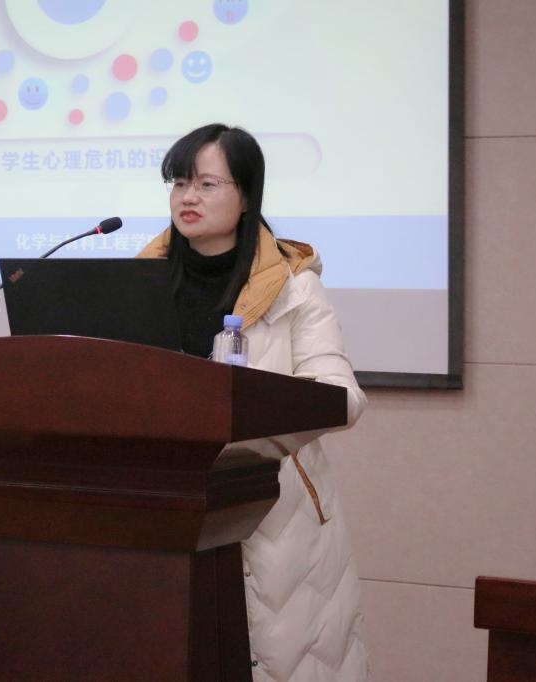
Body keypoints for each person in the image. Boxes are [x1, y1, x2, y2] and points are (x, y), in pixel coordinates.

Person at [138, 123, 369, 682]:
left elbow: (342, 396)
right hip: (158, 506)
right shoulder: (139, 280)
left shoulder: (293, 285)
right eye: (179, 183)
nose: (188, 197)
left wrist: (245, 408)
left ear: (246, 196)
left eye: (207, 184)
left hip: (271, 510)